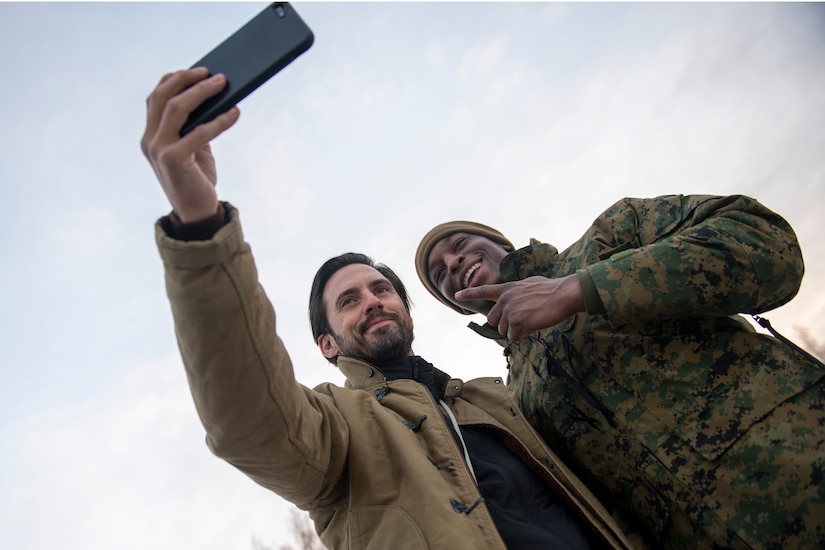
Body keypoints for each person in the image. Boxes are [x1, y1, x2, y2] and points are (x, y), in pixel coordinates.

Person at [140, 68, 641, 549]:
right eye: (349, 300)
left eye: (381, 289)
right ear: (327, 343)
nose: (373, 301)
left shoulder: (498, 399)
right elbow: (247, 419)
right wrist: (201, 228)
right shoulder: (335, 428)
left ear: (408, 311)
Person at [414, 197, 825, 550]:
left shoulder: (609, 236)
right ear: (456, 305)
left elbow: (765, 240)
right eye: (438, 274)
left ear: (499, 242)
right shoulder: (520, 398)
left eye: (460, 244)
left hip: (806, 461)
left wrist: (580, 288)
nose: (452, 263)